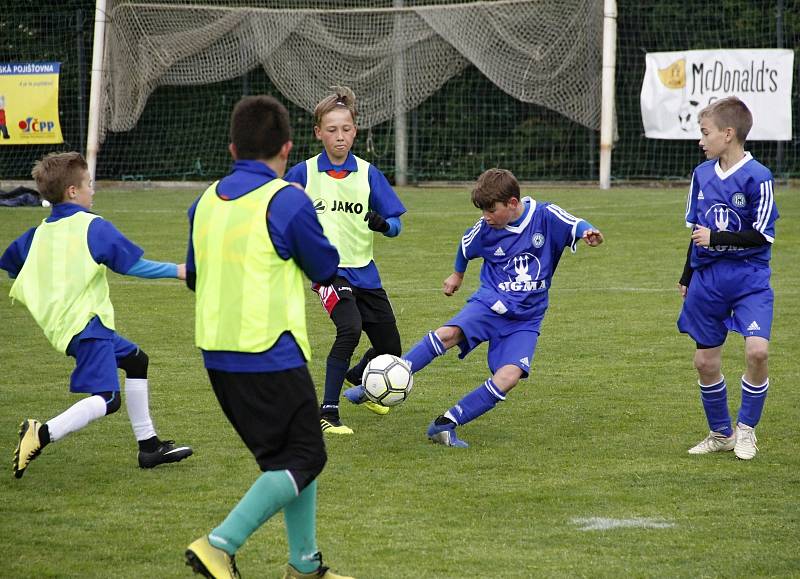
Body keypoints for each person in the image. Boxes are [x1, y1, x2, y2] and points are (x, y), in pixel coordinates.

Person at [184, 95, 352, 579]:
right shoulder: (287, 198)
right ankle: (220, 544)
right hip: (269, 352)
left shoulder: (205, 201)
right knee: (305, 456)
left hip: (217, 354)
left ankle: (305, 566)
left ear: (232, 149)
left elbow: (195, 275)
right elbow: (324, 267)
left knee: (294, 458)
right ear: (288, 147)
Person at [346, 168, 604, 447]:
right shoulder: (485, 229)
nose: (485, 216)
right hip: (490, 303)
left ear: (513, 203)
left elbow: (574, 223)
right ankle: (374, 385)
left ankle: (446, 424)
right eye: (482, 211)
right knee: (448, 334)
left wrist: (587, 231)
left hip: (526, 318)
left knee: (509, 376)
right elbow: (465, 246)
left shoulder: (545, 216)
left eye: (491, 210)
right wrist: (457, 274)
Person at [1, 151, 193, 478]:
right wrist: (178, 270)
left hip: (67, 326)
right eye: (89, 184)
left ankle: (149, 448)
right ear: (72, 192)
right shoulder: (93, 226)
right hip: (88, 324)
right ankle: (41, 433)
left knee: (136, 360)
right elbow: (132, 265)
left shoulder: (37, 234)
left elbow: (11, 265)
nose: (93, 190)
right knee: (108, 399)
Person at [285, 86, 406, 435]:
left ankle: (361, 382)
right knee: (350, 328)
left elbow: (397, 225)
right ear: (318, 132)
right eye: (332, 129)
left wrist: (385, 225)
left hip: (365, 272)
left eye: (346, 129)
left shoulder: (368, 174)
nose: (340, 137)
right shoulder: (302, 175)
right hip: (327, 272)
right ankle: (328, 411)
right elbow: (277, 213)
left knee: (389, 349)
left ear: (355, 131)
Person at [677, 96, 778, 460]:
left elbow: (762, 235)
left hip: (749, 278)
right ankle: (722, 433)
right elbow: (696, 233)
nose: (701, 140)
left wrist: (716, 238)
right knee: (704, 362)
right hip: (708, 280)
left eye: (705, 132)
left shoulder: (758, 177)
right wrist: (687, 275)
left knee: (758, 351)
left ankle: (746, 429)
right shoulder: (701, 175)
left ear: (728, 133)